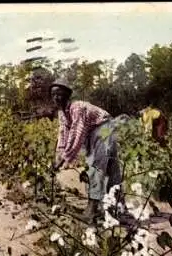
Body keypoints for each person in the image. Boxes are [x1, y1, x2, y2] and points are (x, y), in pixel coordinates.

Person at [50, 79, 122, 223]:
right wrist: (59, 157)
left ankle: (91, 212)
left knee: (96, 166)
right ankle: (114, 210)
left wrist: (62, 160)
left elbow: (76, 134)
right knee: (110, 168)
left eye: (60, 94)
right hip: (96, 130)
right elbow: (63, 135)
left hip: (104, 127)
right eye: (53, 95)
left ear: (67, 95)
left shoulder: (77, 107)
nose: (56, 98)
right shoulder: (62, 113)